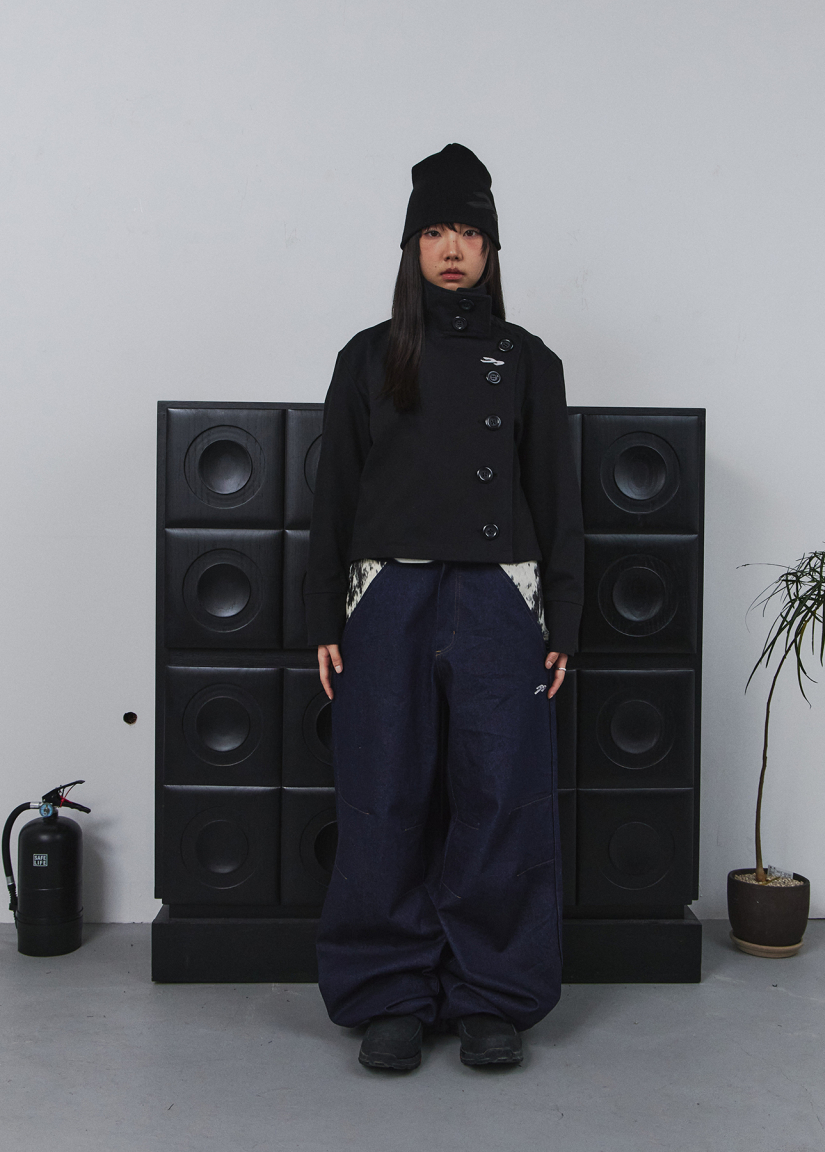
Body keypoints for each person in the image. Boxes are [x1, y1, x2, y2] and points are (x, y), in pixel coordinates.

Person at [305, 143, 584, 1071]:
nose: (454, 249)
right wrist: (323, 617)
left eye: (470, 232)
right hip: (387, 596)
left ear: (492, 248)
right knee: (383, 794)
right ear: (411, 246)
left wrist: (563, 619)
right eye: (436, 232)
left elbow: (557, 499)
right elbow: (335, 499)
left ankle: (491, 995)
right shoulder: (367, 356)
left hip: (499, 595)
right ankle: (388, 992)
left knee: (500, 796)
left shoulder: (530, 361)